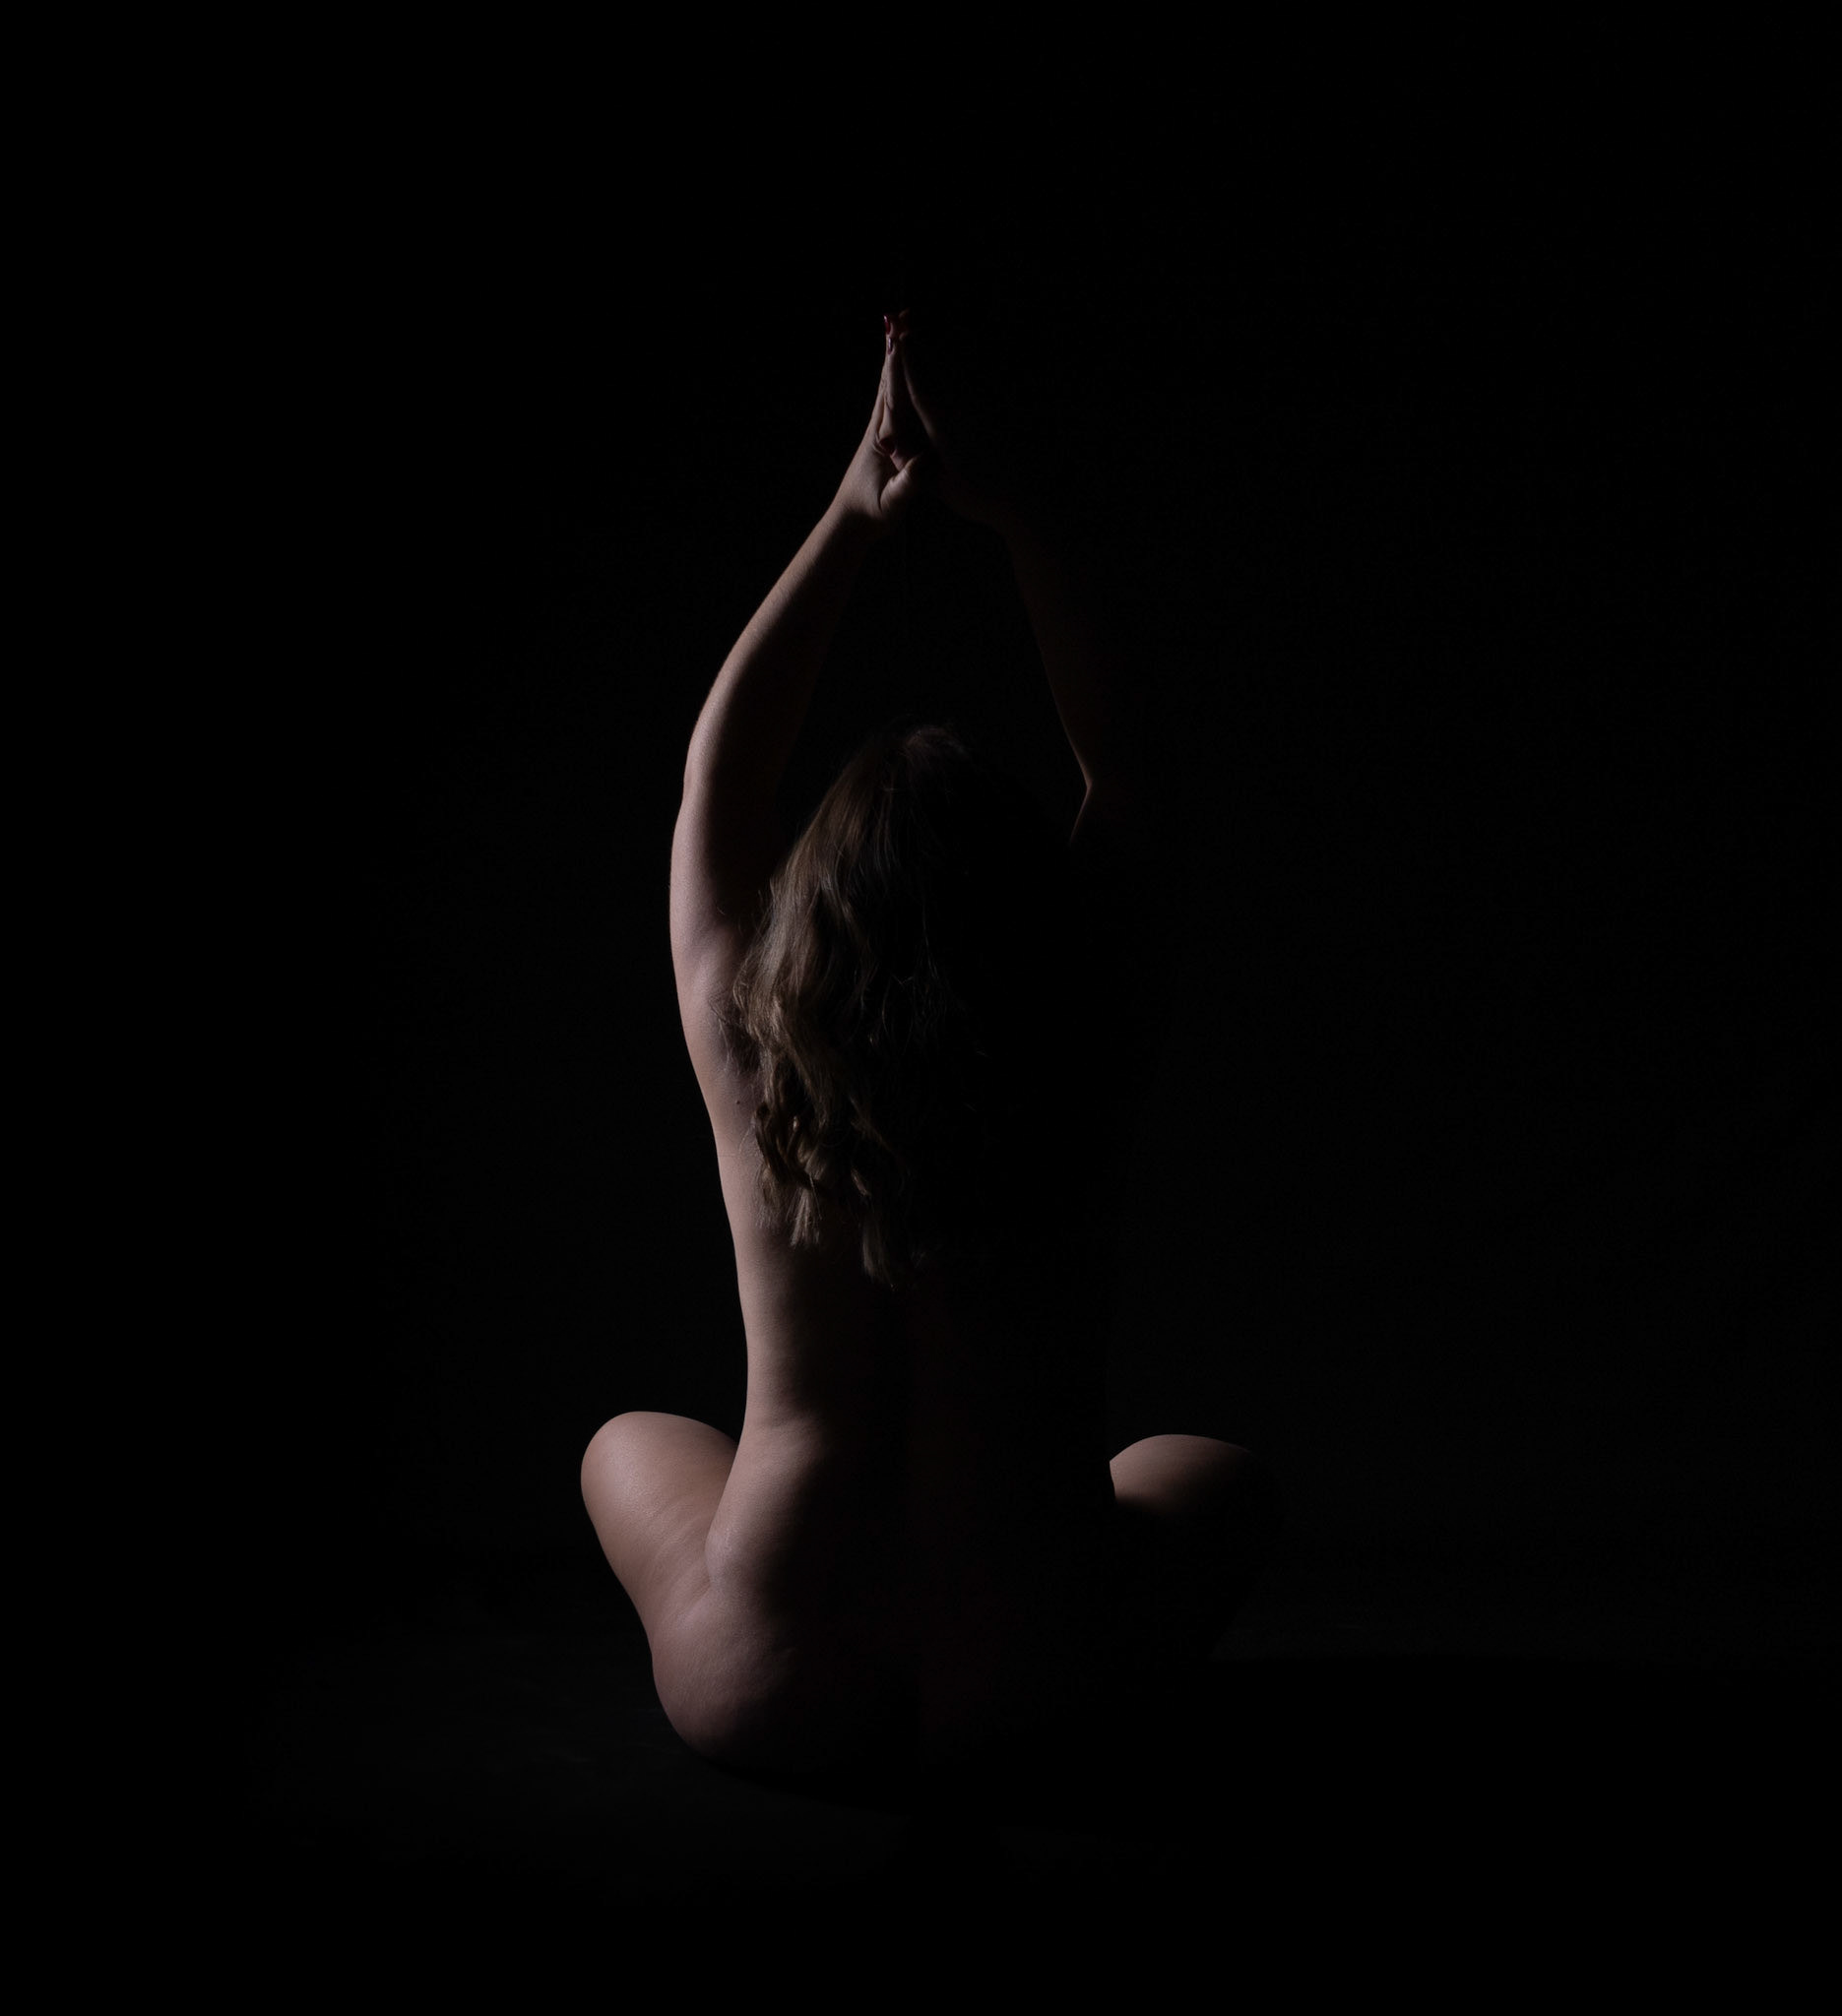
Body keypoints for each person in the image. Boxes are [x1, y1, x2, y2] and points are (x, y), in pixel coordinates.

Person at [582, 311, 1276, 1788]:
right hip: (1044, 1671)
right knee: (1213, 1479)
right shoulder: (1084, 1038)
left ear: (809, 925)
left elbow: (723, 779)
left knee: (626, 1442)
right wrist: (1019, 515)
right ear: (1032, 915)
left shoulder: (751, 1051)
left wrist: (851, 517)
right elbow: (1135, 770)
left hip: (769, 1673)